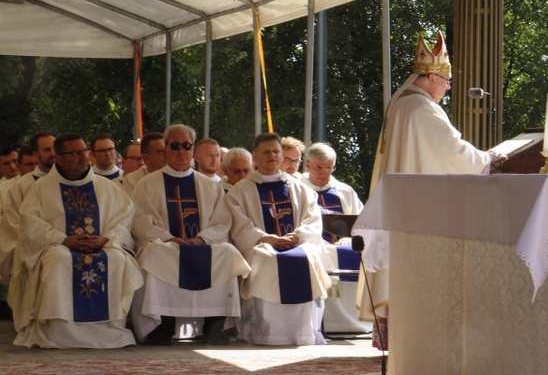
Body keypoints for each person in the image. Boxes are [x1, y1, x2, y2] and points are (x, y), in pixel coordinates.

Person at [363, 31, 507, 348]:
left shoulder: (401, 104)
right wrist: (487, 158)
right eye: (447, 80)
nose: (448, 87)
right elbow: (452, 152)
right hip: (415, 217)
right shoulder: (422, 109)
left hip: (403, 210)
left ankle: (405, 351)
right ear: (431, 78)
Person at [8, 133, 143, 348]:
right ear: (59, 158)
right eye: (74, 153)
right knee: (59, 258)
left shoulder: (106, 187)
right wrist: (63, 240)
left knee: (117, 258)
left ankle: (111, 329)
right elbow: (31, 225)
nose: (82, 157)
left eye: (83, 151)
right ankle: (60, 331)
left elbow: (124, 217)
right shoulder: (41, 188)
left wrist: (105, 238)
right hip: (58, 247)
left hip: (101, 245)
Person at [130, 124, 250, 345]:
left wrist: (201, 239)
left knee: (228, 253)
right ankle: (161, 326)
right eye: (175, 146)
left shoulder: (209, 185)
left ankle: (216, 324)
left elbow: (222, 221)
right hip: (166, 245)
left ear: (192, 150)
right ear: (165, 150)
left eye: (186, 146)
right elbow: (140, 220)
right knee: (154, 254)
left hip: (201, 243)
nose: (180, 151)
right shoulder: (147, 184)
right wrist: (167, 237)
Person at [226, 132, 330, 345]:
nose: (272, 156)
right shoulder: (241, 190)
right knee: (266, 259)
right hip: (262, 246)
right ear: (255, 157)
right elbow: (239, 224)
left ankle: (303, 332)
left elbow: (313, 219)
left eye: (276, 151)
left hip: (296, 243)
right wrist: (266, 238)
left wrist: (297, 236)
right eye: (266, 152)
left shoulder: (301, 188)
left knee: (307, 258)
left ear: (282, 155)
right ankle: (267, 332)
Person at [300, 142, 371, 335]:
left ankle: (356, 320)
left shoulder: (344, 191)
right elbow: (296, 224)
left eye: (329, 168)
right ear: (307, 165)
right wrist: (313, 238)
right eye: (319, 168)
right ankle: (325, 322)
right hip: (314, 245)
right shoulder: (297, 188)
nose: (324, 173)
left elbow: (362, 220)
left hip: (344, 245)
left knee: (366, 254)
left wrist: (351, 236)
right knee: (319, 253)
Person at [0, 131, 56, 287]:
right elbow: (14, 227)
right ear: (35, 154)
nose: (53, 153)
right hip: (33, 256)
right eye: (46, 150)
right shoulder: (21, 187)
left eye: (55, 148)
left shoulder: (70, 180)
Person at [121, 132, 167, 198]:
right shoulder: (132, 180)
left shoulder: (174, 175)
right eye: (160, 152)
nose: (166, 155)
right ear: (146, 158)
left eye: (167, 150)